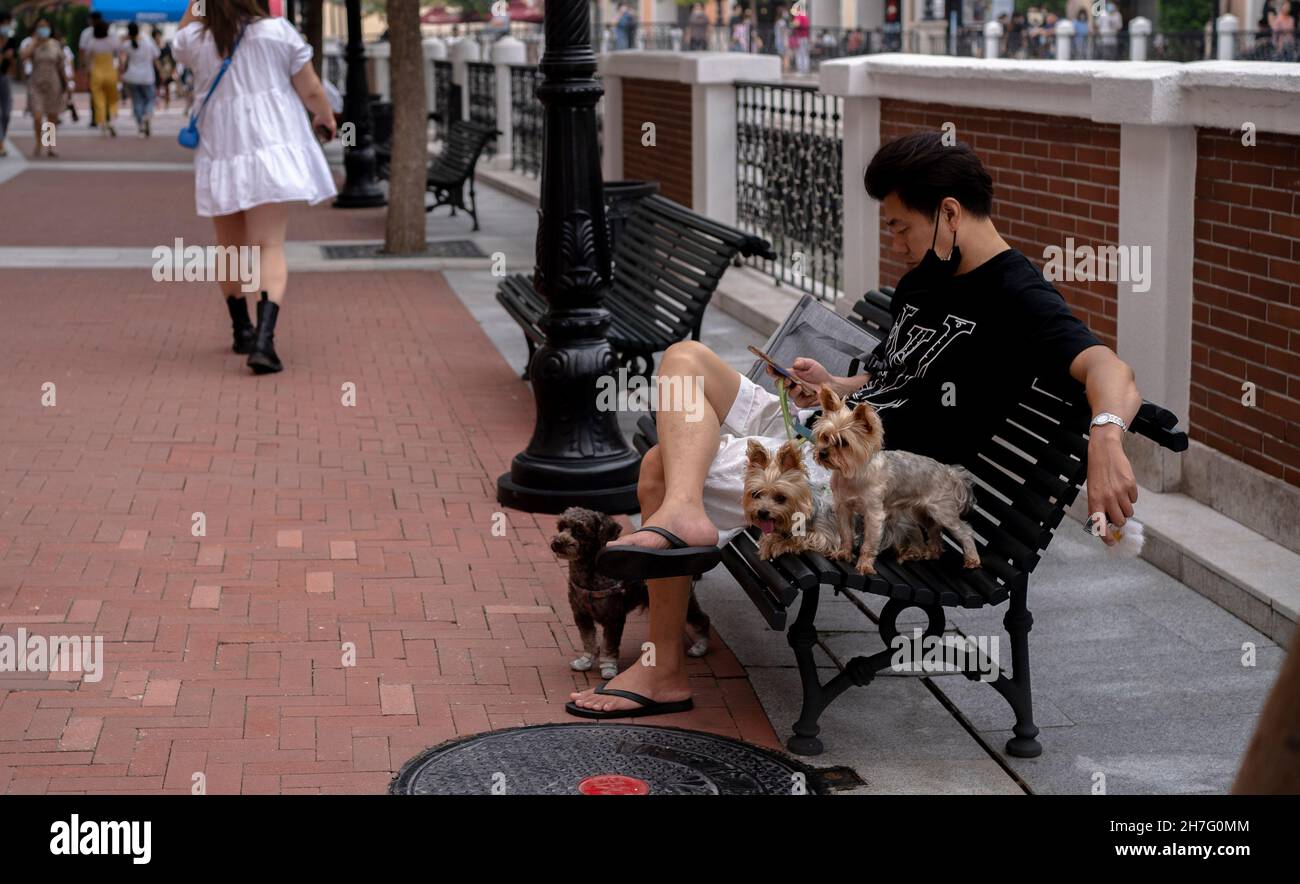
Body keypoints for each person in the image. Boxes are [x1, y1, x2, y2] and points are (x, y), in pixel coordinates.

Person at [568, 132, 1143, 717]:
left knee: (661, 468)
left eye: (900, 228)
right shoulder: (926, 278)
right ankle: (684, 518)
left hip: (873, 484)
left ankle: (664, 665)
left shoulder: (1017, 294)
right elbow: (892, 375)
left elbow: (1108, 366)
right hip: (826, 429)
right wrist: (836, 385)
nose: (897, 245)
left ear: (948, 213)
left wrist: (1105, 436)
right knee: (685, 359)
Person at [173, 0, 337, 375]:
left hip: (221, 152)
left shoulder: (198, 39)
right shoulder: (277, 32)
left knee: (229, 248)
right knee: (268, 245)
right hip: (270, 151)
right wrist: (325, 116)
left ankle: (241, 329)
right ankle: (265, 340)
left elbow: (180, 36)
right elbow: (310, 88)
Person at [19, 19, 68, 159]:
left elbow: (61, 66)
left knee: (52, 116)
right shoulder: (31, 43)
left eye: (46, 27)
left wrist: (66, 85)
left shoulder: (55, 44)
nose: (43, 29)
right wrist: (34, 42)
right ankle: (38, 143)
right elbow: (23, 57)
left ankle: (50, 145)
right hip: (36, 83)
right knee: (37, 115)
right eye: (40, 26)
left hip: (53, 83)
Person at [120, 23, 160, 137]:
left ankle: (140, 124)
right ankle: (147, 115)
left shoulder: (127, 45)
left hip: (132, 77)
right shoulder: (148, 42)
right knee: (150, 99)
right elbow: (157, 55)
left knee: (137, 101)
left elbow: (122, 60)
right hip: (147, 76)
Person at [85, 17, 120, 137]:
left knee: (99, 99)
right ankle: (112, 121)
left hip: (97, 73)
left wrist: (87, 69)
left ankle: (102, 123)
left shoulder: (92, 42)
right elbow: (117, 54)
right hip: (110, 72)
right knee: (113, 99)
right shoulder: (112, 41)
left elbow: (87, 57)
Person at [78, 11, 104, 128]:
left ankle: (99, 116)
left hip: (98, 67)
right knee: (96, 92)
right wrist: (83, 66)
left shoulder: (90, 33)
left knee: (96, 92)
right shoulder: (87, 33)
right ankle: (97, 117)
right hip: (96, 67)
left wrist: (83, 65)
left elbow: (82, 51)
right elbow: (82, 51)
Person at [0, 11, 16, 157]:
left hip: (4, 77)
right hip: (37, 85)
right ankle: (1, 144)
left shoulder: (11, 40)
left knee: (6, 113)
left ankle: (48, 146)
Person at [154, 27, 176, 111]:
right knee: (157, 87)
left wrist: (173, 68)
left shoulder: (165, 45)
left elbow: (171, 57)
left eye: (159, 35)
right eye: (156, 36)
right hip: (156, 69)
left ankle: (166, 104)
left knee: (167, 87)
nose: (158, 37)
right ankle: (157, 104)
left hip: (166, 69)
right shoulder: (153, 46)